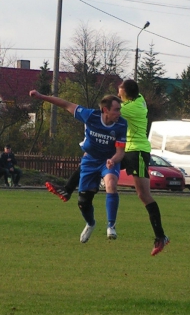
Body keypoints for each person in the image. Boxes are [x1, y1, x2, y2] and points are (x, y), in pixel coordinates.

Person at [45, 80, 170, 255]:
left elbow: (108, 112)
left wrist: (90, 116)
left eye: (120, 90)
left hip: (137, 151)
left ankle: (161, 236)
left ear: (126, 94)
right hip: (126, 149)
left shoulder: (127, 109)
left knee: (144, 195)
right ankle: (68, 189)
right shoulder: (137, 99)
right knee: (91, 155)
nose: (118, 93)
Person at [29, 89, 127, 244]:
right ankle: (90, 223)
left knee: (111, 183)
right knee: (83, 202)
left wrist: (113, 160)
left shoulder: (121, 124)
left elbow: (120, 152)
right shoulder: (90, 115)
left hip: (108, 161)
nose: (119, 113)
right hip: (89, 160)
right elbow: (65, 104)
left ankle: (111, 225)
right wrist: (41, 97)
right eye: (116, 110)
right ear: (105, 110)